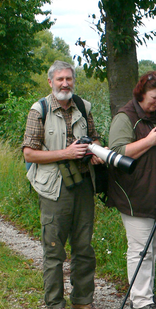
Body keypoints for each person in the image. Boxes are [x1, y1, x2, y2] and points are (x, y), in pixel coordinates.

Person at [23, 60, 104, 309]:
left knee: (84, 248)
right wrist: (66, 153)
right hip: (54, 190)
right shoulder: (40, 110)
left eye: (69, 78)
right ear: (51, 82)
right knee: (54, 252)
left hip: (83, 186)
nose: (65, 83)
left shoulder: (83, 106)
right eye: (60, 79)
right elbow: (29, 154)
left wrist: (99, 151)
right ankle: (55, 304)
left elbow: (95, 136)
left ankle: (82, 301)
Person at [106, 71, 156, 309]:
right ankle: (142, 302)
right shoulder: (125, 117)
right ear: (141, 93)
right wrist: (149, 141)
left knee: (153, 246)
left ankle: (145, 294)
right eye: (154, 97)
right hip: (133, 193)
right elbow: (115, 153)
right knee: (140, 248)